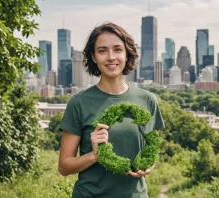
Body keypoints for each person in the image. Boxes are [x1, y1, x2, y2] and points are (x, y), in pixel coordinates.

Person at [58, 22, 165, 198]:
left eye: (117, 49)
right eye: (102, 51)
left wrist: (147, 166)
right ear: (93, 57)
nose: (111, 57)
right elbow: (64, 167)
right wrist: (93, 155)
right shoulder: (79, 102)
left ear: (126, 53)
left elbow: (151, 148)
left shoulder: (148, 100)